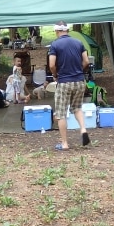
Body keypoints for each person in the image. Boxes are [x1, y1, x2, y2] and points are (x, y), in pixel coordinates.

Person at [49, 21, 90, 151]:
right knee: (77, 108)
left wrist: (55, 75)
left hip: (64, 82)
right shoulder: (78, 42)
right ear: (67, 30)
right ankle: (83, 129)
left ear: (57, 31)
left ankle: (65, 143)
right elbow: (87, 61)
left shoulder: (55, 44)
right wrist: (80, 70)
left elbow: (51, 65)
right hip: (79, 81)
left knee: (61, 113)